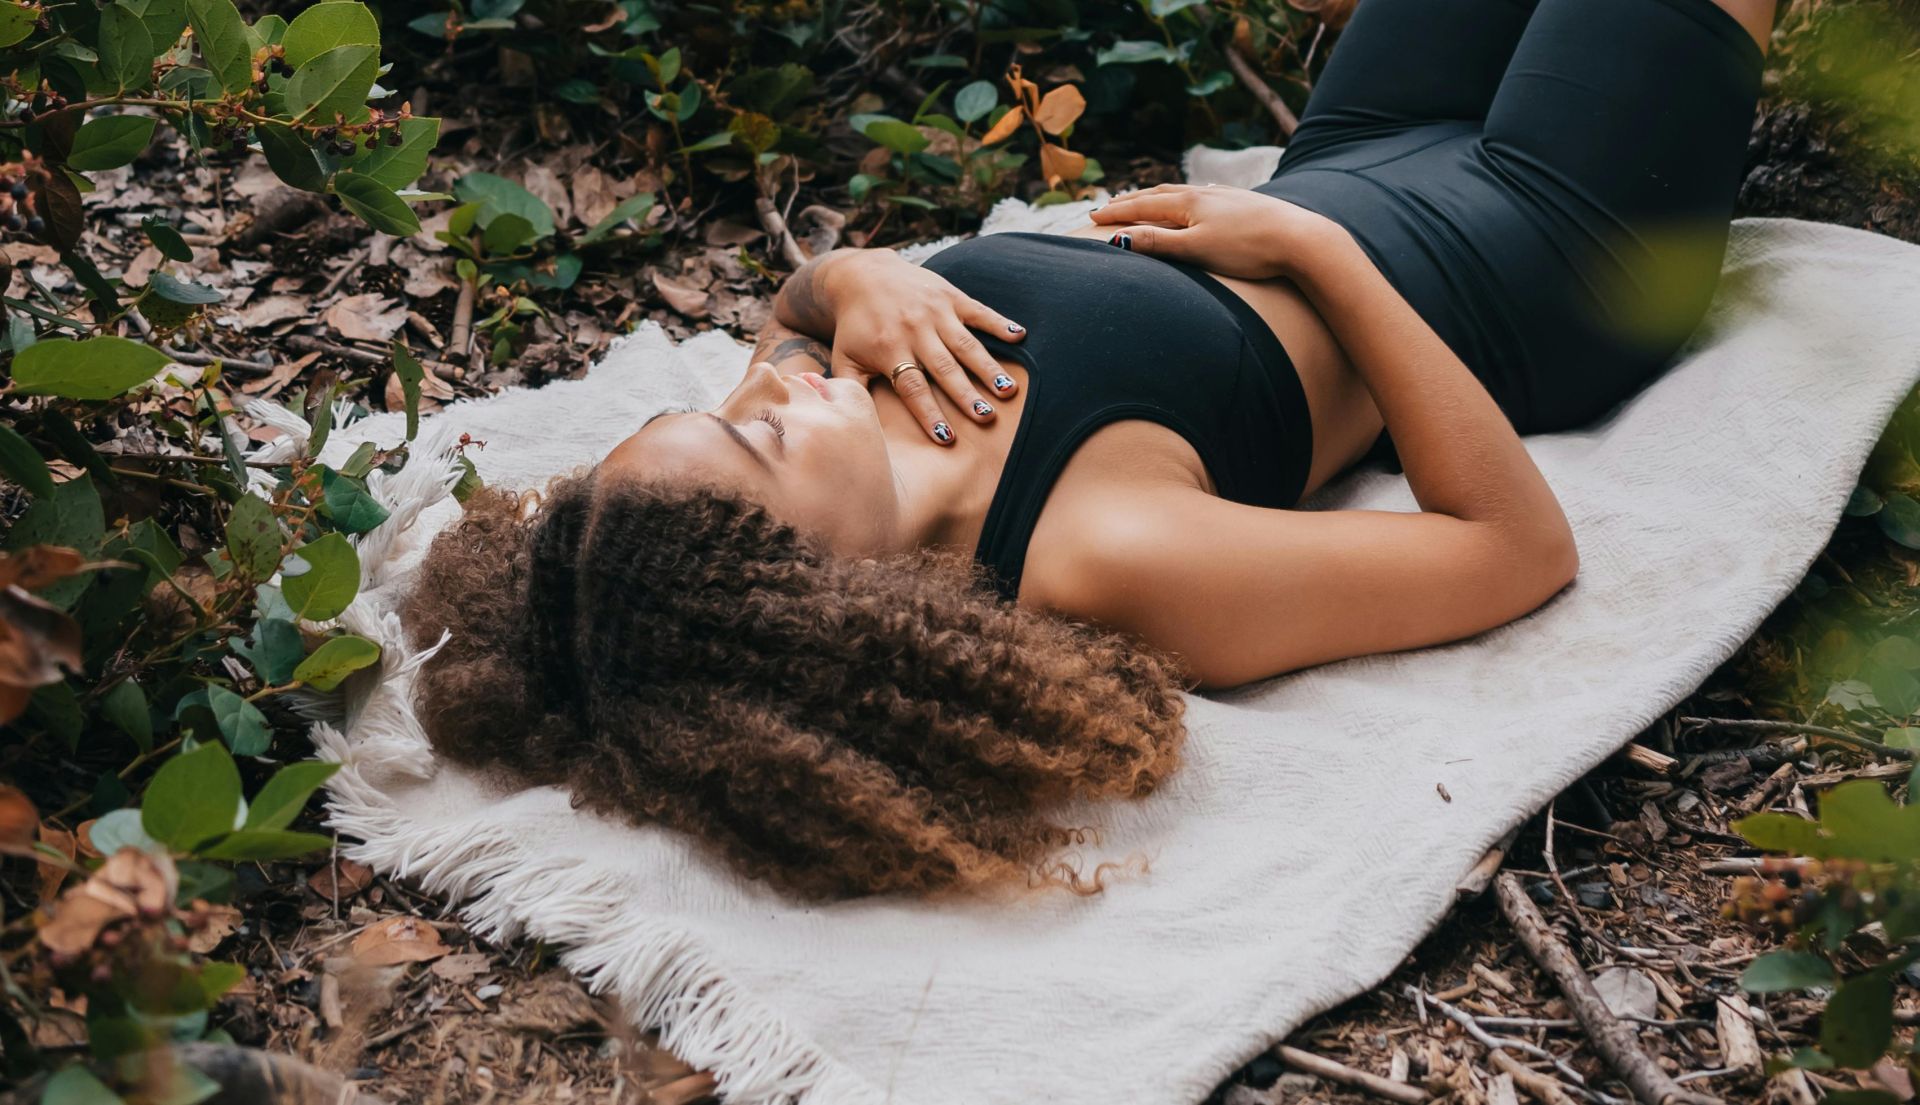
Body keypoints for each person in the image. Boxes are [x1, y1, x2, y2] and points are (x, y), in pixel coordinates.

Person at [405, 0, 1774, 899]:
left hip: (1351, 151)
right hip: (1540, 249)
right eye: (756, 436)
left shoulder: (849, 400)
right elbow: (1513, 548)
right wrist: (1318, 255)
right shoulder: (1098, 550)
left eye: (720, 402)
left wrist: (845, 276)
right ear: (813, 589)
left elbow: (788, 322)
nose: (771, 382)